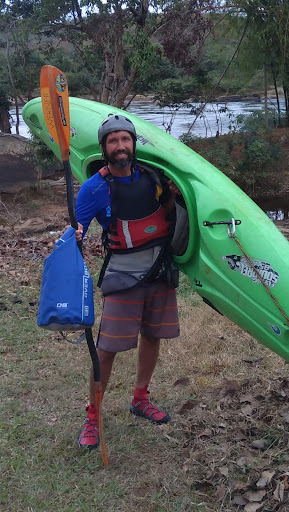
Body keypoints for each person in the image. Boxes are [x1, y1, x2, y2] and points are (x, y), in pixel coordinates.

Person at [74, 113, 181, 449]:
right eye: (112, 141)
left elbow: (175, 209)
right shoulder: (94, 188)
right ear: (104, 147)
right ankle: (93, 416)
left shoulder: (154, 177)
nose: (120, 146)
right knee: (107, 349)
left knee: (153, 336)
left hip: (160, 271)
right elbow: (76, 228)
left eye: (125, 139)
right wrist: (74, 233)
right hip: (123, 275)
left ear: (133, 143)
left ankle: (140, 398)